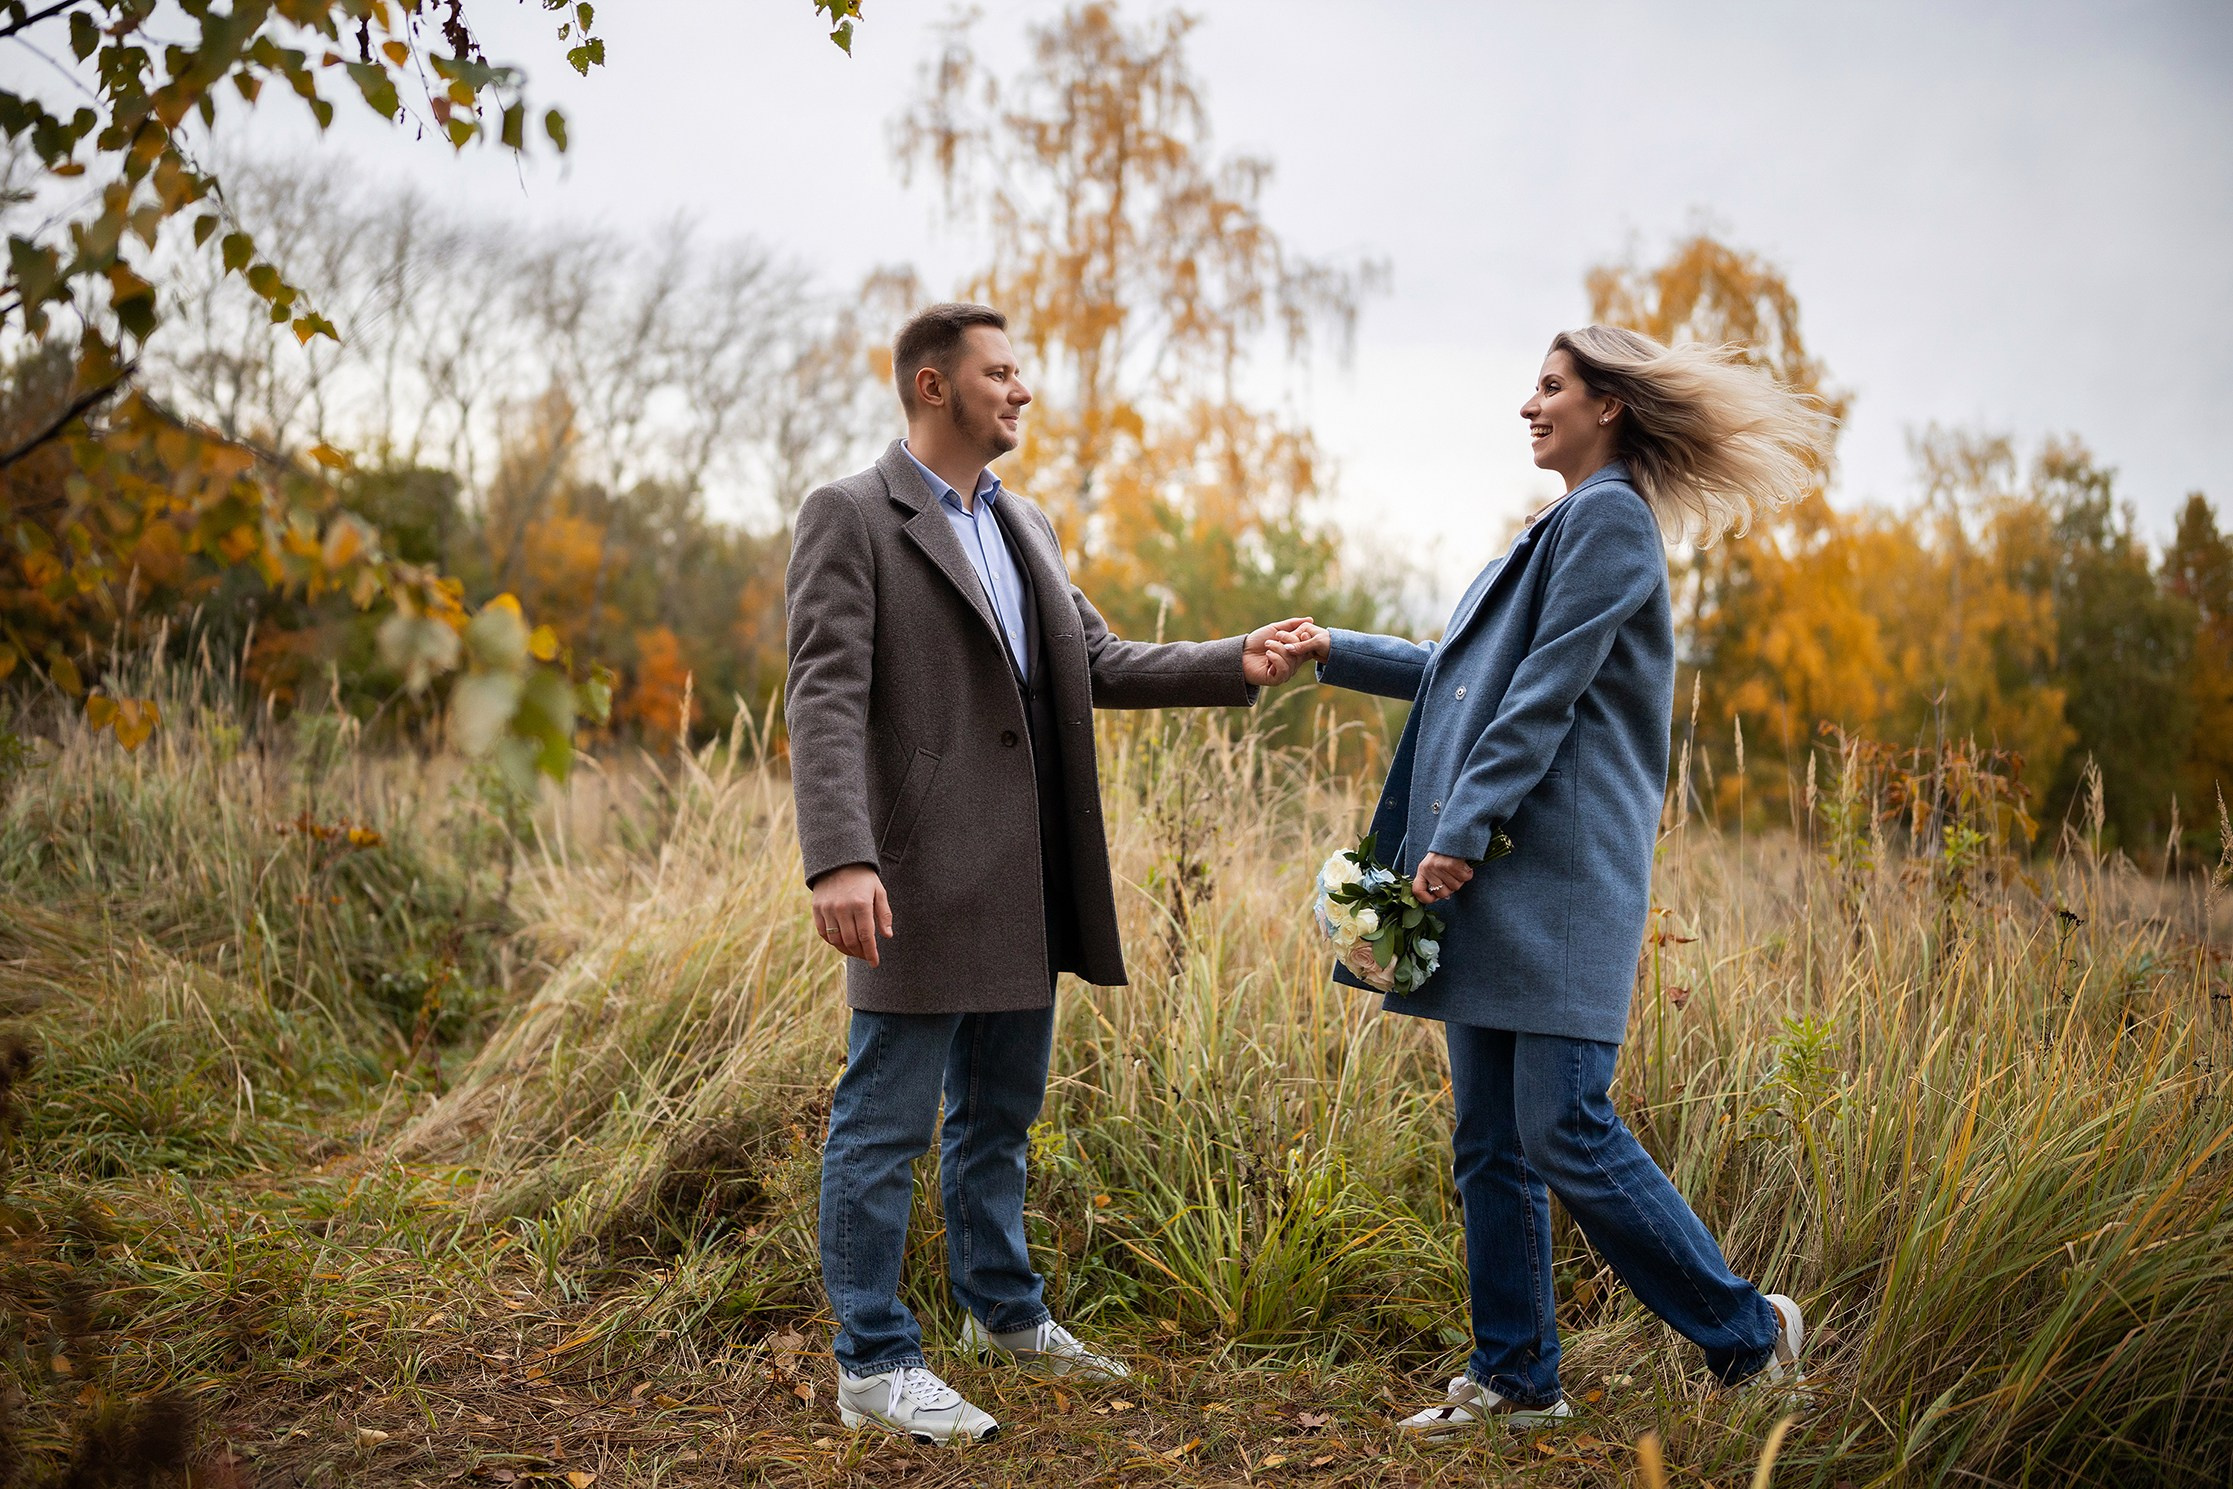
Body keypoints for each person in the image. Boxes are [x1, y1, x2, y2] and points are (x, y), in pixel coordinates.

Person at [1283, 325, 1834, 1436]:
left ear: (1611, 406)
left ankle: (1747, 1334)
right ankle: (1517, 1380)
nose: (1528, 406)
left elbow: (1541, 694)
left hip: (1558, 878)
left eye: (1550, 387)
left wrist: (1464, 827)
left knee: (1564, 1127)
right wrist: (1331, 647)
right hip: (1503, 880)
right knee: (1490, 1137)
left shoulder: (1610, 521)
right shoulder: (1559, 527)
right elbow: (1464, 673)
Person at [785, 302, 1309, 1444]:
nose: (1021, 391)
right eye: (1000, 373)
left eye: (1020, 374)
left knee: (998, 1116)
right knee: (883, 1123)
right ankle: (873, 1363)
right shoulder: (851, 515)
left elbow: (1099, 660)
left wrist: (1237, 660)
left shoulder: (1028, 525)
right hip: (910, 878)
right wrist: (840, 856)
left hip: (1026, 881)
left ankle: (1002, 1314)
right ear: (933, 386)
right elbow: (821, 694)